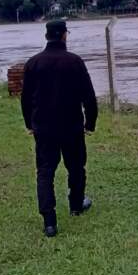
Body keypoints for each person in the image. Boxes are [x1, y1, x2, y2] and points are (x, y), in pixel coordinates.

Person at [20, 19, 98, 237]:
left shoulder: (33, 63)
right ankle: (76, 205)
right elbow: (89, 97)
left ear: (47, 36)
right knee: (76, 166)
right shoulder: (75, 62)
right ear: (64, 35)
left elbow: (25, 99)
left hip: (43, 128)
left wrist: (29, 124)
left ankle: (49, 222)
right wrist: (89, 124)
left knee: (45, 172)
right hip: (71, 125)